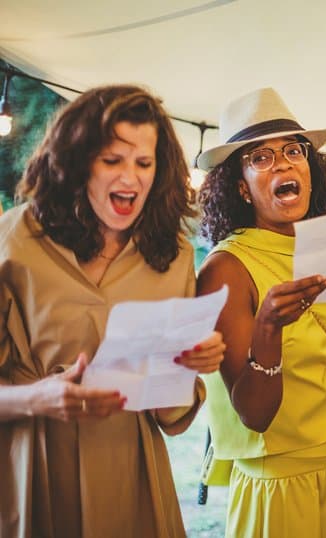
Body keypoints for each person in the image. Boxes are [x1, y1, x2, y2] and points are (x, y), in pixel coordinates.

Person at [0, 84, 225, 538]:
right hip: (34, 469)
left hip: (132, 477)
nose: (131, 178)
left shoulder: (173, 255)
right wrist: (38, 397)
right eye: (112, 160)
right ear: (76, 162)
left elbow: (170, 414)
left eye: (144, 163)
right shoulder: (15, 242)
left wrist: (190, 364)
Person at [195, 87, 326, 537]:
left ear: (309, 170)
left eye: (293, 151)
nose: (282, 163)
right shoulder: (225, 269)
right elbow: (254, 415)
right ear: (241, 186)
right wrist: (268, 329)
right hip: (280, 488)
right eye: (260, 157)